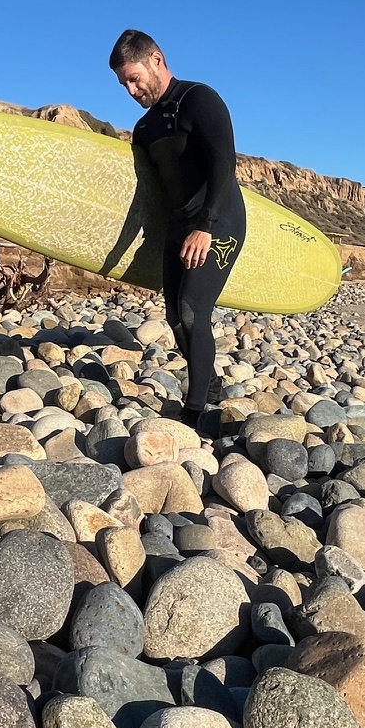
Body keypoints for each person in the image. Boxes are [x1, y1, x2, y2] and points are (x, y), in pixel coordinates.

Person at [110, 28, 245, 432]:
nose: (131, 90)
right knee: (173, 316)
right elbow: (146, 194)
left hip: (218, 219)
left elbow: (225, 163)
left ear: (157, 60)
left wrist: (204, 226)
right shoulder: (145, 128)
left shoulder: (198, 98)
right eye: (123, 84)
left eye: (134, 78)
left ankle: (196, 413)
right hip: (177, 225)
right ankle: (213, 383)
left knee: (191, 309)